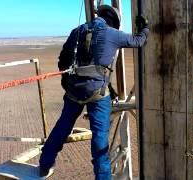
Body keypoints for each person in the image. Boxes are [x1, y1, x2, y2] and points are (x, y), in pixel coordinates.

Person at [39, 5, 149, 180]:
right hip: (97, 94)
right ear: (114, 21)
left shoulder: (77, 31)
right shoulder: (113, 33)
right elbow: (138, 41)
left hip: (74, 92)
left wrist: (69, 82)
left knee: (62, 127)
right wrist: (145, 28)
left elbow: (62, 62)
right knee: (100, 140)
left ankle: (45, 164)